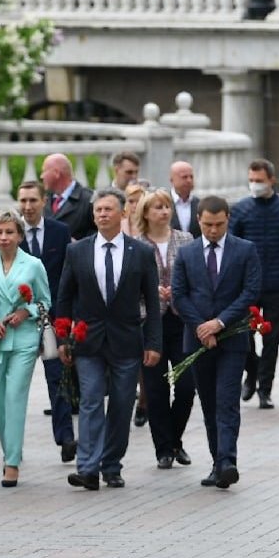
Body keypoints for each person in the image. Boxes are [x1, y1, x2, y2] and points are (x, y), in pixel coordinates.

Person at [57, 188, 162, 490]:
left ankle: (112, 464)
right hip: (87, 341)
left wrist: (153, 343)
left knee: (121, 404)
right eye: (98, 210)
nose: (102, 214)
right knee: (90, 400)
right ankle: (87, 468)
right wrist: (62, 338)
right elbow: (64, 297)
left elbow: (152, 302)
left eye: (108, 209)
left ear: (123, 213)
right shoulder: (77, 251)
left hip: (127, 340)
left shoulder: (141, 252)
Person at [172, 196, 261, 488]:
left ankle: (227, 461)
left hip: (233, 339)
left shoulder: (245, 250)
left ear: (228, 220)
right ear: (198, 220)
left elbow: (250, 292)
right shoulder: (186, 253)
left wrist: (219, 323)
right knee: (209, 403)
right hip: (198, 341)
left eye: (219, 224)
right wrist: (201, 327)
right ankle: (217, 463)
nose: (213, 230)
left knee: (227, 401)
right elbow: (179, 295)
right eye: (208, 224)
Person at [0, 209, 53, 486]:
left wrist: (26, 311)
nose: (4, 237)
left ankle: (11, 463)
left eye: (9, 232)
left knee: (14, 398)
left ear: (20, 235)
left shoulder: (33, 265)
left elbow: (45, 301)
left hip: (23, 339)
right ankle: (11, 449)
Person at [133, 189, 196, 469]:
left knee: (186, 387)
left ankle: (175, 440)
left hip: (181, 321)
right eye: (157, 207)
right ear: (146, 213)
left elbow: (195, 277)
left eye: (167, 206)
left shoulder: (186, 239)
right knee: (156, 389)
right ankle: (164, 449)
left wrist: (179, 292)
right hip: (150, 323)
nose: (164, 211)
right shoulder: (136, 245)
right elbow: (129, 288)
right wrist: (151, 293)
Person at [230, 159, 279, 409]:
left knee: (272, 339)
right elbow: (232, 249)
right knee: (243, 335)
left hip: (277, 284)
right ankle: (252, 369)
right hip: (247, 286)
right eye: (251, 180)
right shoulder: (241, 209)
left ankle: (265, 389)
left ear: (271, 180)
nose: (255, 184)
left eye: (259, 180)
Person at [18, 179, 76, 462]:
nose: (28, 206)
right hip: (20, 320)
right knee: (17, 383)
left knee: (57, 376)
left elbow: (67, 275)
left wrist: (66, 317)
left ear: (44, 202)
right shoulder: (10, 232)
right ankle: (12, 446)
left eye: (33, 200)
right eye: (23, 201)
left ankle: (66, 437)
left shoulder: (59, 231)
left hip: (51, 320)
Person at [42, 152, 96, 240]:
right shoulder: (44, 200)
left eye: (44, 171)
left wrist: (79, 244)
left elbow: (102, 233)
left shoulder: (89, 199)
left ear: (56, 173)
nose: (42, 176)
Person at [170, 161, 199, 235]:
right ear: (172, 180)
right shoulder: (164, 203)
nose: (189, 180)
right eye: (184, 177)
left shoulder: (199, 204)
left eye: (191, 177)